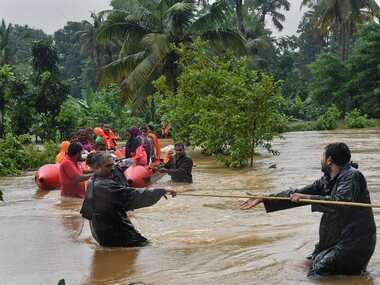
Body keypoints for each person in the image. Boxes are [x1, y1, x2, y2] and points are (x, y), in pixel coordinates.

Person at [240, 143, 376, 277]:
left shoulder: (352, 176)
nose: (321, 159)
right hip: (333, 241)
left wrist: (307, 197)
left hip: (353, 243)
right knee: (300, 266)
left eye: (322, 156)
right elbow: (298, 194)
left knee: (318, 272)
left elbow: (341, 202)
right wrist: (265, 198)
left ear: (329, 160)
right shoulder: (328, 179)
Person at [80, 152, 176, 247]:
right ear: (97, 167)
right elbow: (131, 196)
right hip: (115, 233)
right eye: (108, 166)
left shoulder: (92, 180)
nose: (112, 168)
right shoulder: (103, 185)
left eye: (113, 164)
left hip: (102, 232)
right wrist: (160, 191)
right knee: (147, 247)